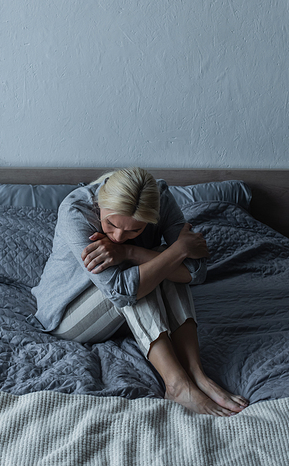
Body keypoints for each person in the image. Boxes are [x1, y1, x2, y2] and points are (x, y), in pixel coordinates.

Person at [32, 167, 249, 416]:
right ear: (100, 202)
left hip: (117, 311)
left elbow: (195, 272)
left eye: (134, 230)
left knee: (160, 264)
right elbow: (121, 291)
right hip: (67, 314)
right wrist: (176, 251)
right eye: (110, 224)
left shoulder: (161, 199)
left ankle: (197, 375)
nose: (118, 237)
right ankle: (177, 385)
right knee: (151, 268)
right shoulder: (76, 210)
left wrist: (131, 252)